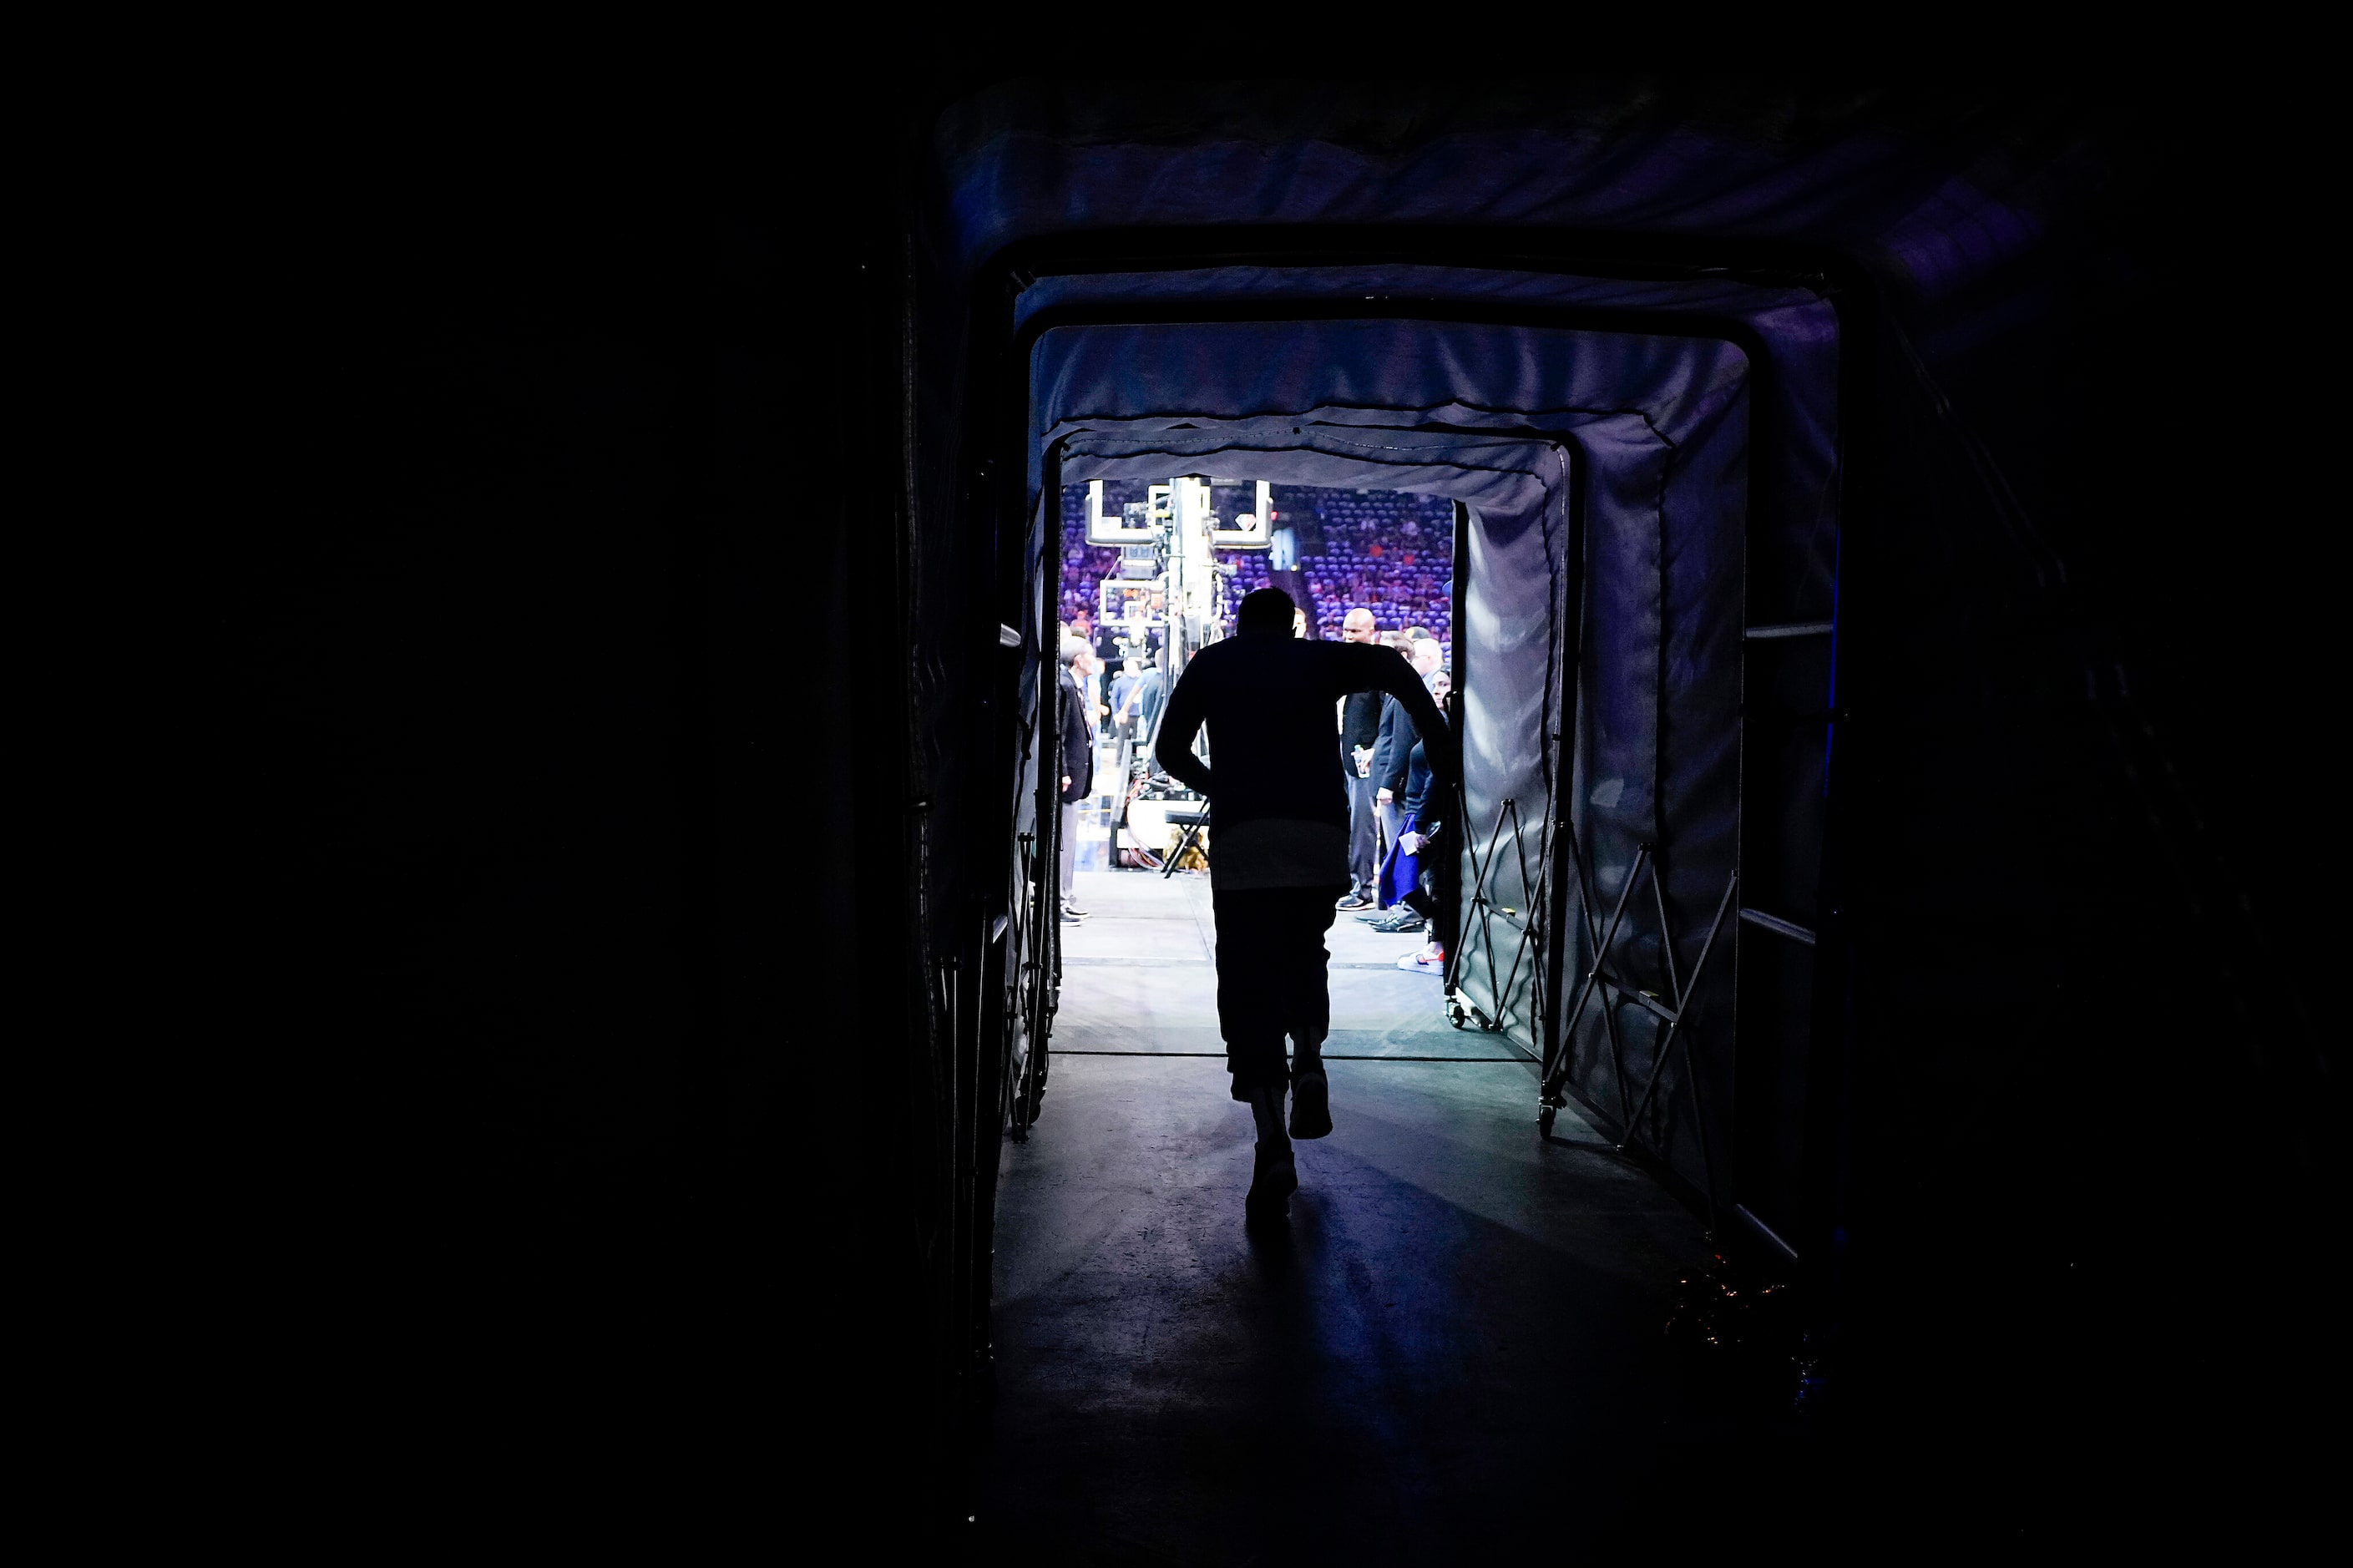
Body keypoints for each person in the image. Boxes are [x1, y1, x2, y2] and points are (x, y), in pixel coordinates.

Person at [1156, 587, 1450, 1219]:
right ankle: (1311, 1060)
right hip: (1318, 833)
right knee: (1303, 952)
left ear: (1239, 624)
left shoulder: (1213, 663)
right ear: (1291, 625)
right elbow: (1398, 669)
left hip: (1246, 838)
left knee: (1247, 979)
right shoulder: (1319, 660)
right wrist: (1442, 750)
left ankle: (1271, 1143)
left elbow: (1168, 752)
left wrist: (1223, 788)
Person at [1369, 637, 1446, 896]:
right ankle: (1405, 909)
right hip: (1407, 792)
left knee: (1403, 859)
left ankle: (1411, 912)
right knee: (1398, 856)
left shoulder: (1405, 692)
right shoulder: (1396, 690)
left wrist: (1388, 784)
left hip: (1408, 795)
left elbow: (1401, 743)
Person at [1334, 608, 1384, 911]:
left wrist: (1376, 750)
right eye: (1346, 631)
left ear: (1371, 633)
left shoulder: (1378, 672)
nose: (1349, 637)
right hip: (1341, 759)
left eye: (1356, 631)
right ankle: (1350, 882)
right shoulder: (1339, 669)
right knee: (1346, 824)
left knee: (1362, 826)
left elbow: (1389, 720)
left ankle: (1363, 888)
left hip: (1365, 764)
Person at [1058, 639, 1096, 923]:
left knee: (1068, 841)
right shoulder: (1066, 686)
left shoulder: (1073, 686)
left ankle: (1064, 897)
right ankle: (1060, 900)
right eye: (1090, 655)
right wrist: (1062, 771)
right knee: (1064, 841)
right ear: (1079, 660)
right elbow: (1058, 732)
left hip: (1073, 777)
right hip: (1067, 779)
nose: (1094, 660)